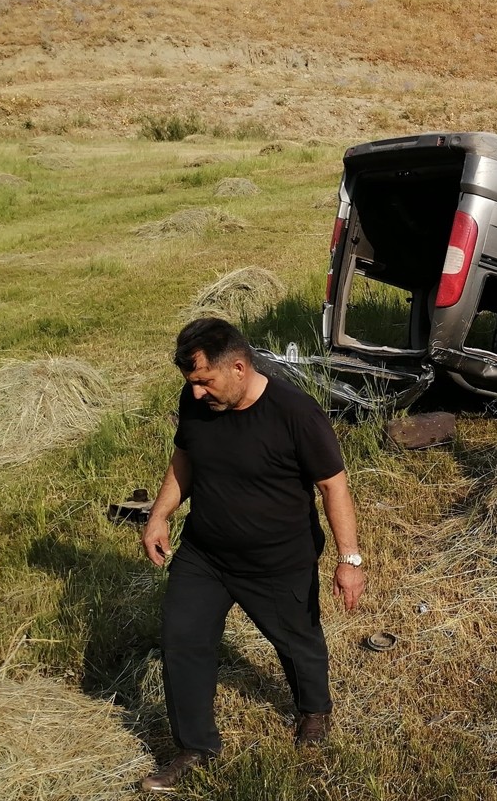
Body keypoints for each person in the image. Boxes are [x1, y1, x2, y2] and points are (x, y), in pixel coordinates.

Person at [138, 318, 366, 792]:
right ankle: (195, 748)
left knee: (297, 641)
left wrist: (350, 559)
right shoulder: (196, 403)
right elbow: (184, 459)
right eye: (191, 384)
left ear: (239, 367)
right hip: (205, 554)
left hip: (277, 561)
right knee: (182, 640)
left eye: (205, 381)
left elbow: (333, 485)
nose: (197, 394)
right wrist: (159, 515)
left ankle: (313, 711)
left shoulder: (295, 413)